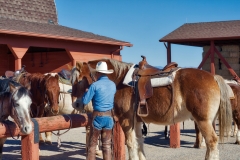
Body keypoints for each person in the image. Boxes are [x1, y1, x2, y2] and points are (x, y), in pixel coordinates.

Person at [82, 61, 116, 160]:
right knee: (107, 145)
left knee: (92, 145)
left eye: (96, 73)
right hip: (109, 117)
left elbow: (85, 101)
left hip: (98, 118)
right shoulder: (113, 85)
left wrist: (87, 92)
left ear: (98, 73)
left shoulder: (95, 85)